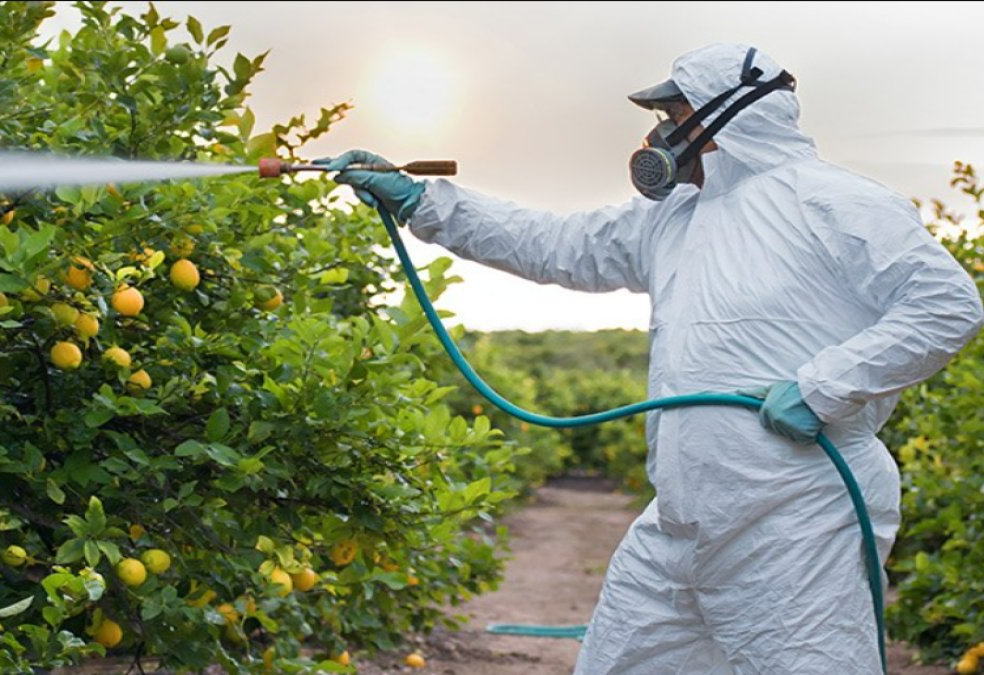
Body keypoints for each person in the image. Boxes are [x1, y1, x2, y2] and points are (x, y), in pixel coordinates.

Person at [326, 43, 984, 674]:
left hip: (797, 519)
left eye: (672, 118)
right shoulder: (674, 218)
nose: (658, 136)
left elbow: (947, 305)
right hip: (682, 522)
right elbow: (557, 242)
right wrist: (425, 204)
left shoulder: (835, 202)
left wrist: (822, 388)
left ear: (723, 116)